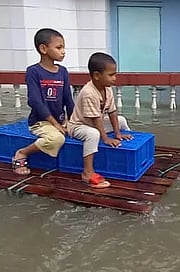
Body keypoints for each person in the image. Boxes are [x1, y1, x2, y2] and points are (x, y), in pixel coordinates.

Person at [12, 28, 75, 175]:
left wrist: (72, 121)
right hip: (41, 122)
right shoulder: (34, 71)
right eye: (59, 47)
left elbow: (68, 99)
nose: (63, 51)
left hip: (60, 120)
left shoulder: (63, 71)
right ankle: (22, 153)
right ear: (43, 48)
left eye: (64, 47)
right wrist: (55, 124)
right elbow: (35, 101)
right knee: (57, 139)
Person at [68, 52, 132, 189]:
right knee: (93, 134)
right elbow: (96, 120)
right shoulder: (88, 92)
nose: (114, 78)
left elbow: (112, 112)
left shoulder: (107, 89)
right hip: (78, 126)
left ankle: (127, 152)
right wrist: (105, 138)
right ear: (97, 75)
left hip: (94, 123)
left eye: (115, 74)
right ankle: (87, 173)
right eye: (111, 75)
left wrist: (117, 133)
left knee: (121, 120)